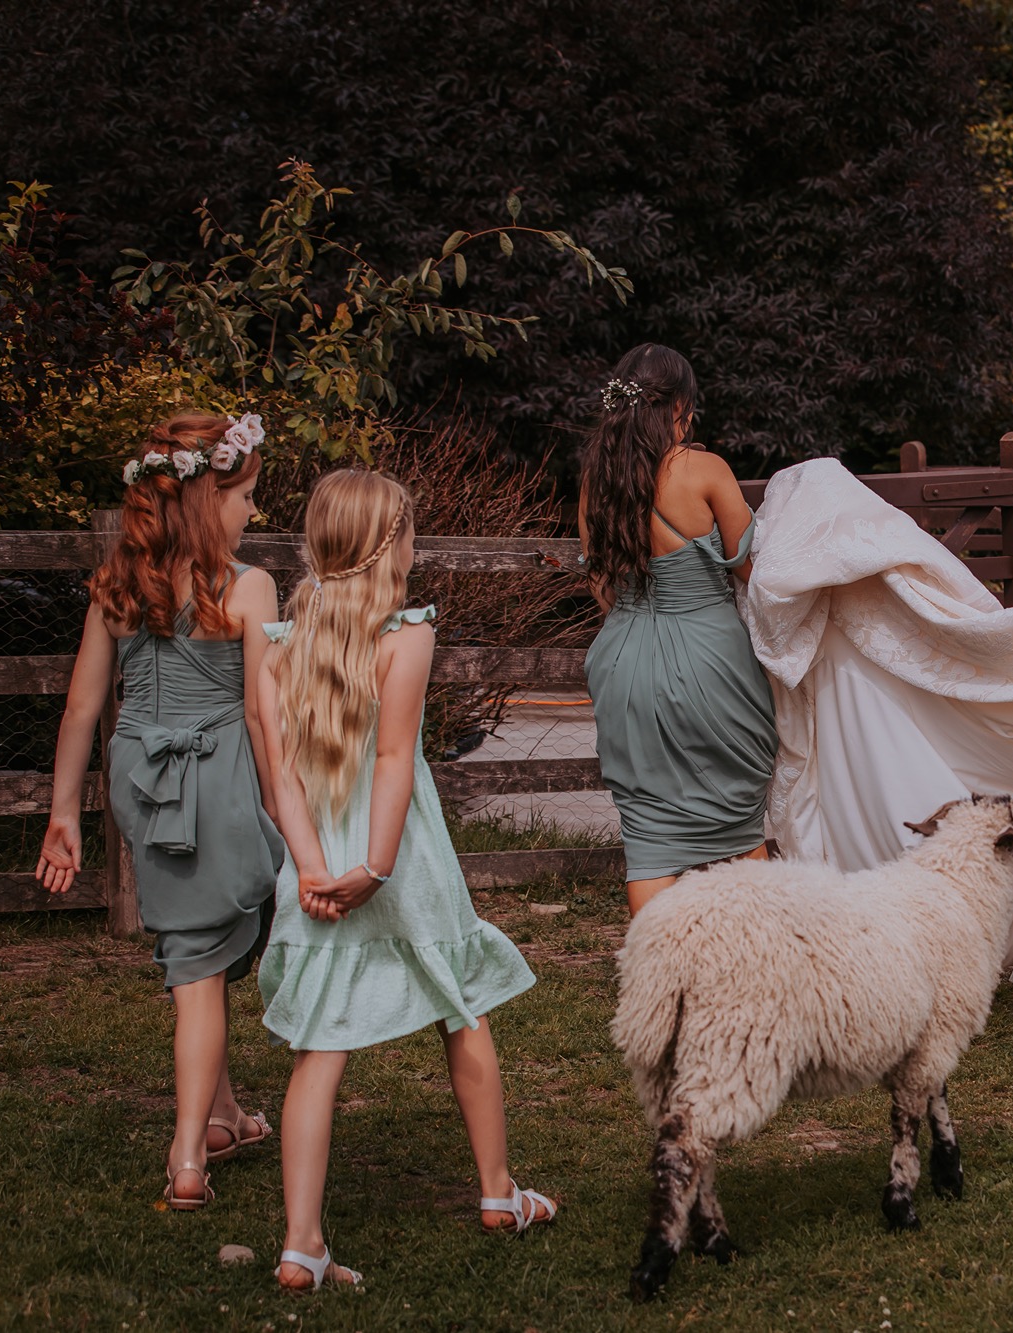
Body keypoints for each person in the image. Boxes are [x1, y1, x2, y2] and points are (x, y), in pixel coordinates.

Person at [258, 470, 552, 1292]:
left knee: (320, 1043)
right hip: (401, 858)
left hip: (319, 860)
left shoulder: (279, 647)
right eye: (410, 535)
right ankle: (497, 1190)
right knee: (462, 1005)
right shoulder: (407, 636)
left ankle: (301, 1243)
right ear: (389, 547)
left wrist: (312, 866)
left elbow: (281, 777)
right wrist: (374, 868)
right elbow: (393, 758)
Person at [35, 412, 283, 1211]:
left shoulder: (119, 586)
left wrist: (64, 813)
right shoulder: (249, 587)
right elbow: (261, 717)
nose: (253, 511)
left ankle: (222, 1114)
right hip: (218, 782)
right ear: (208, 501)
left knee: (193, 949)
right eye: (245, 496)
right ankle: (187, 1157)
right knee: (202, 964)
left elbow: (82, 708)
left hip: (141, 784)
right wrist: (285, 809)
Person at [579, 344, 778, 914]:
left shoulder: (595, 477)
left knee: (649, 838)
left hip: (623, 658)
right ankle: (760, 951)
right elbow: (750, 569)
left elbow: (601, 583)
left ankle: (653, 961)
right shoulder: (704, 469)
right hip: (708, 657)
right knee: (739, 824)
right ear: (679, 405)